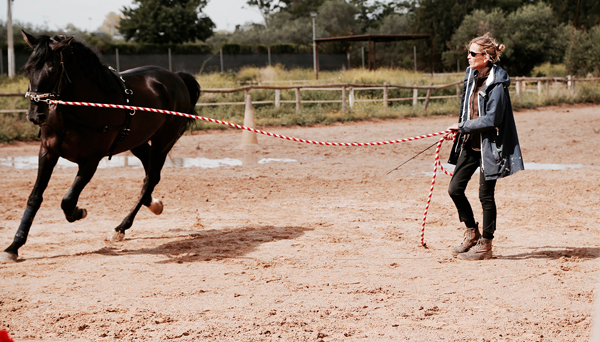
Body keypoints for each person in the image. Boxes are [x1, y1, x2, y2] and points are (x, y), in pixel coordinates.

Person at [446, 33, 524, 260]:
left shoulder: (497, 83)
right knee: (454, 189)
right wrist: (460, 131)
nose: (468, 57)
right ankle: (472, 232)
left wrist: (463, 126)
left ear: (487, 56)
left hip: (491, 146)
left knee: (485, 195)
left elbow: (493, 119)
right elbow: (468, 109)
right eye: (468, 53)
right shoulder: (471, 77)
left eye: (472, 54)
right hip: (471, 144)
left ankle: (486, 245)